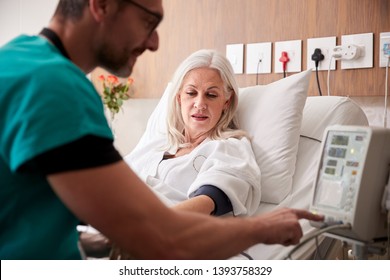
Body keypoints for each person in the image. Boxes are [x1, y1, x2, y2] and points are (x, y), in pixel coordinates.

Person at [0, 0, 323, 260]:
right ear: (102, 5)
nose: (154, 42)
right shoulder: (57, 89)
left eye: (212, 94)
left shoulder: (15, 60)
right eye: (148, 22)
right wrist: (262, 228)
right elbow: (163, 239)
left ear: (227, 102)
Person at [125, 49, 261, 218]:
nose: (200, 104)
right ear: (179, 97)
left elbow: (210, 200)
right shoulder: (156, 145)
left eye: (211, 95)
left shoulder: (230, 148)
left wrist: (151, 225)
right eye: (191, 93)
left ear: (227, 102)